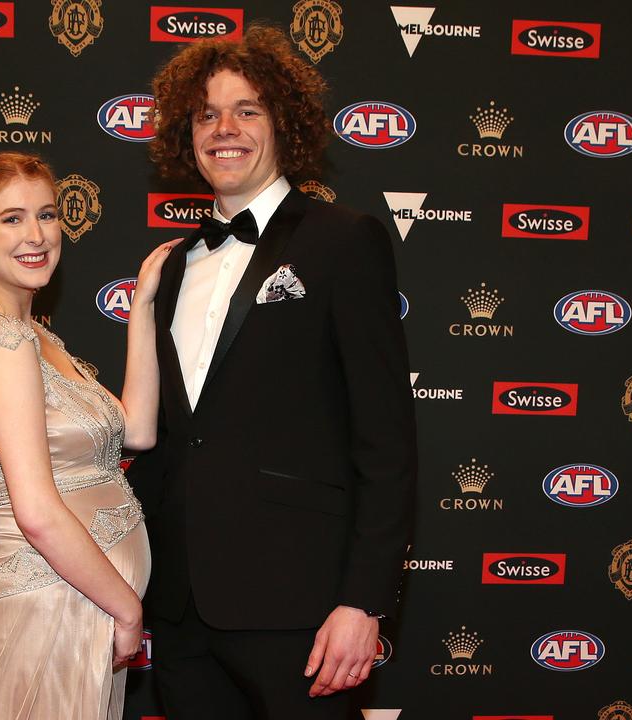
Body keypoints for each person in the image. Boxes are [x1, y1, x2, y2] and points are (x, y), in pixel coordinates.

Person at [125, 25, 417, 719]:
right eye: (205, 114)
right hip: (180, 607)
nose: (224, 129)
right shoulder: (168, 268)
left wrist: (363, 601)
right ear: (184, 136)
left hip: (303, 608)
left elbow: (387, 442)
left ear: (284, 123)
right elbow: (164, 438)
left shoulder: (343, 242)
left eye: (247, 109)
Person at [0, 151, 179, 720]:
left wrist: (142, 309)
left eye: (48, 215)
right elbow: (35, 510)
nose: (36, 235)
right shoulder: (3, 343)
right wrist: (128, 610)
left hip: (75, 604)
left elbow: (138, 430)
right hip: (47, 609)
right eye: (11, 218)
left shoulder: (33, 335)